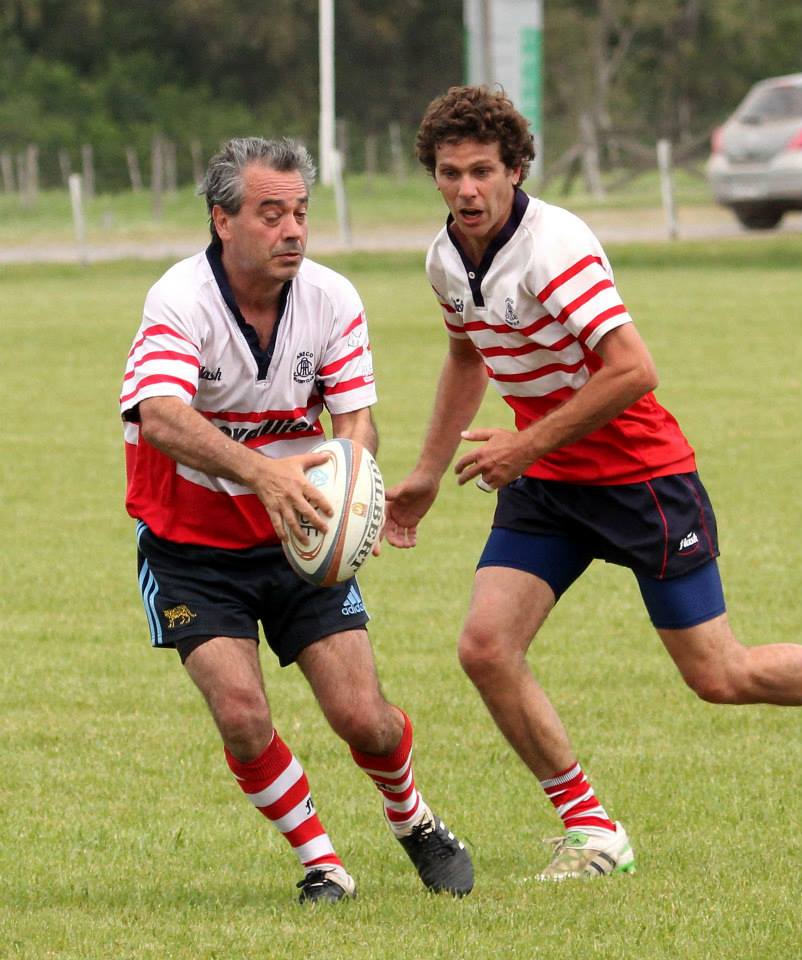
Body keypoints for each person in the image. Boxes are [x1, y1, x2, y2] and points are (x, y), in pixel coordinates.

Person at [385, 86, 802, 881]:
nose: (466, 189)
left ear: (515, 169)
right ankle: (592, 830)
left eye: (481, 171)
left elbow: (635, 370)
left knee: (720, 675)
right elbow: (468, 355)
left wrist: (525, 444)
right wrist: (427, 474)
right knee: (485, 647)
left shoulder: (555, 247)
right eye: (449, 173)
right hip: (547, 481)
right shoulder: (444, 258)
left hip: (640, 478)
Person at [120, 136, 473, 903]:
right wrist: (261, 473)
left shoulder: (333, 298)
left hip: (299, 539)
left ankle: (412, 819)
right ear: (223, 220)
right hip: (190, 548)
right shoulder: (180, 298)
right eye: (270, 213)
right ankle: (324, 864)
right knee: (243, 716)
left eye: (301, 213)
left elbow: (357, 423)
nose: (293, 231)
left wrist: (353, 489)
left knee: (365, 721)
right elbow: (160, 415)